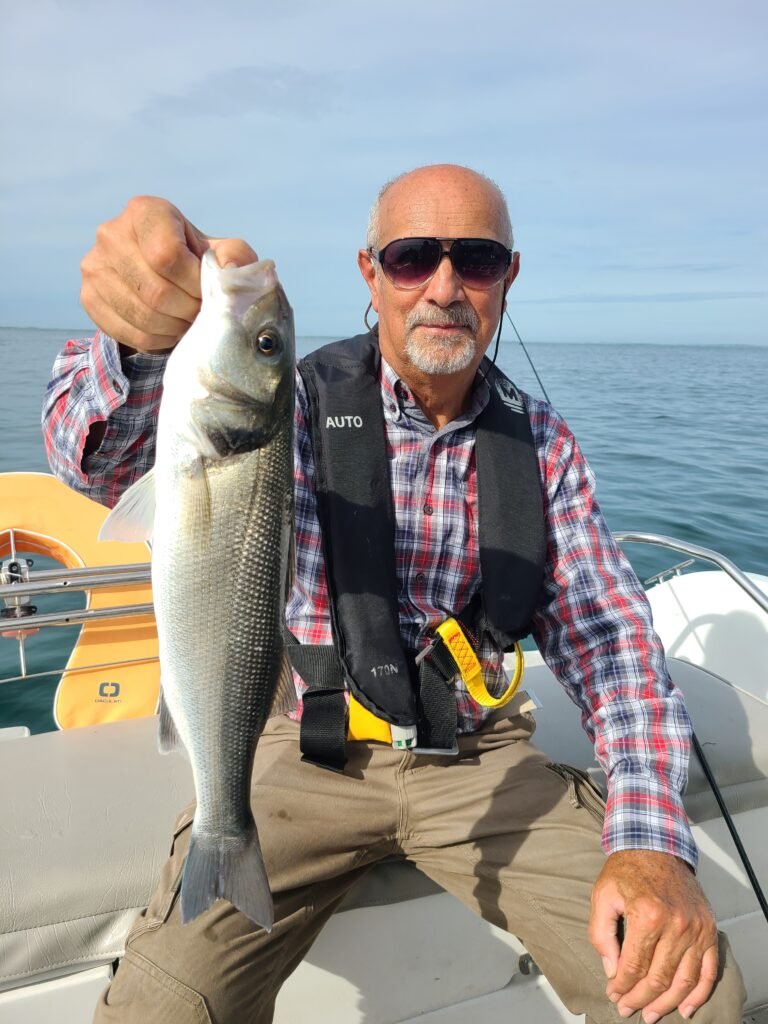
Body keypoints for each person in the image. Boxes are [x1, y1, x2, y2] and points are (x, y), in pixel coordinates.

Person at [43, 164, 746, 1024]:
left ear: (508, 278)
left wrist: (648, 843)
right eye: (413, 257)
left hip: (479, 760)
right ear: (370, 271)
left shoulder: (544, 448)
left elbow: (613, 647)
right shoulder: (288, 404)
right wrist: (142, 343)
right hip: (304, 750)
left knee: (691, 997)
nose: (444, 287)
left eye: (476, 259)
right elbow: (98, 460)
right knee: (163, 1010)